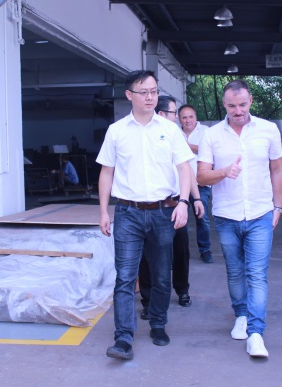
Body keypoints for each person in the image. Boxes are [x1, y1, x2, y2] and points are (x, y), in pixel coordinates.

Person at [97, 70, 194, 360]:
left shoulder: (170, 130)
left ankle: (158, 324)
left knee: (162, 275)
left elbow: (184, 168)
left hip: (164, 212)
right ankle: (123, 338)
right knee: (125, 277)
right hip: (128, 213)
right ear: (129, 95)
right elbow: (107, 172)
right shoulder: (117, 131)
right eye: (144, 92)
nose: (150, 97)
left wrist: (184, 202)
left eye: (154, 91)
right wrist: (103, 211)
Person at [197, 79, 282, 358]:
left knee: (256, 274)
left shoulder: (268, 130)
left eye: (243, 104)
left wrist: (278, 207)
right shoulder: (212, 135)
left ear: (251, 102)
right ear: (224, 105)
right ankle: (241, 316)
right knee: (235, 271)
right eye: (232, 106)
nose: (238, 111)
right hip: (226, 215)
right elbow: (202, 176)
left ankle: (256, 333)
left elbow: (277, 170)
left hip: (260, 213)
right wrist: (224, 172)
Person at [139, 96, 204, 319]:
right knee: (148, 256)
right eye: (173, 113)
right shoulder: (145, 138)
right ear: (161, 114)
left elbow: (188, 171)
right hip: (149, 207)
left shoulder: (175, 136)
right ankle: (148, 300)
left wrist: (196, 198)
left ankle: (182, 290)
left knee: (180, 250)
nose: (177, 117)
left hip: (176, 205)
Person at [178, 104, 214, 263]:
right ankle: (181, 252)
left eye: (190, 117)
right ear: (179, 119)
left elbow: (207, 151)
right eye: (184, 117)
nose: (188, 120)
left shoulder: (206, 131)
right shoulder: (174, 132)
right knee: (181, 219)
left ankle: (205, 250)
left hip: (201, 183)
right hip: (180, 184)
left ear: (196, 117)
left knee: (203, 219)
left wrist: (184, 146)